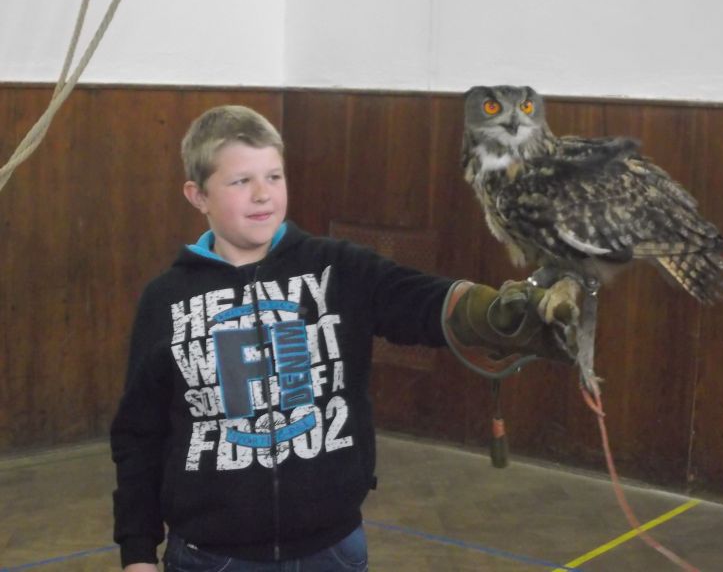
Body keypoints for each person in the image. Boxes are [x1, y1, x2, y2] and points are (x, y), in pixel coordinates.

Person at [110, 105, 577, 572]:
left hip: (332, 549)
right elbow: (139, 435)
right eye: (240, 181)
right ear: (198, 195)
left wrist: (494, 313)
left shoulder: (338, 268)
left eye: (274, 176)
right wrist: (137, 552)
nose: (262, 194)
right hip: (211, 555)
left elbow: (418, 299)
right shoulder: (166, 299)